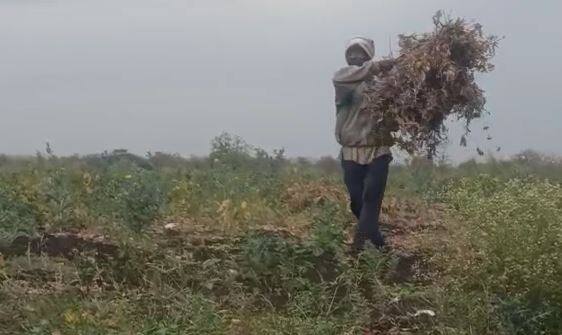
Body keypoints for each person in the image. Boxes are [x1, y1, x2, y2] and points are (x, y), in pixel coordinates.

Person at [332, 37, 396, 253]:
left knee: (371, 197)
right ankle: (377, 241)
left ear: (368, 56)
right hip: (351, 150)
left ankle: (359, 244)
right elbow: (344, 77)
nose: (355, 57)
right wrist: (377, 67)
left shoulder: (383, 85)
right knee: (357, 201)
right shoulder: (343, 81)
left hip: (378, 149)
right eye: (351, 53)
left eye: (360, 53)